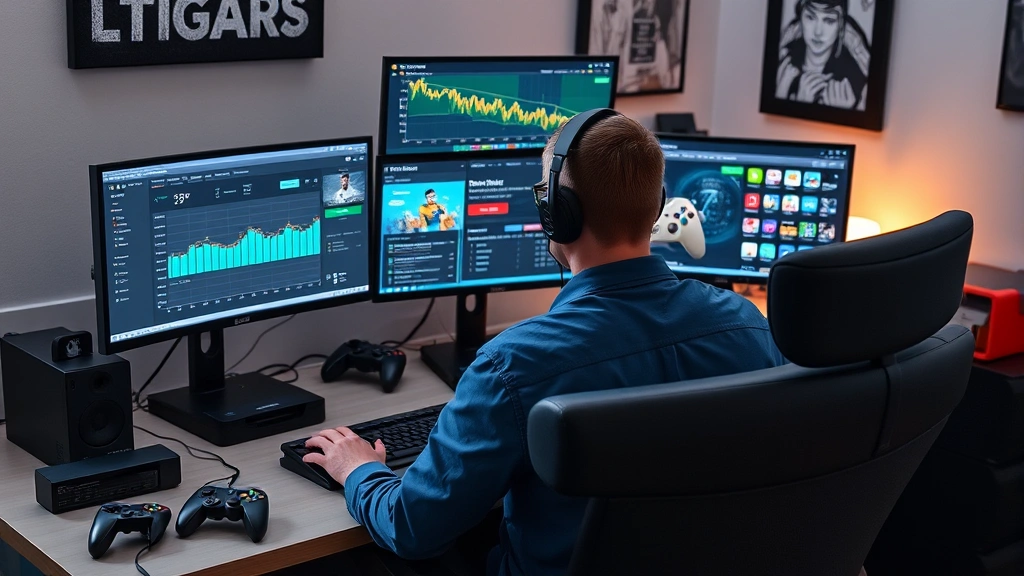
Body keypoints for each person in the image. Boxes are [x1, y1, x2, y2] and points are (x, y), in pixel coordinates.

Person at [300, 112, 787, 576]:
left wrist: (359, 469)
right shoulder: (747, 327)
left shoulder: (514, 365)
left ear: (557, 213)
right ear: (657, 205)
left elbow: (412, 529)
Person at [776, 0, 870, 110]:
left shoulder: (852, 80)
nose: (818, 32)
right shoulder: (783, 67)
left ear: (841, 26)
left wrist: (846, 111)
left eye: (829, 21)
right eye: (810, 17)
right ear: (800, 19)